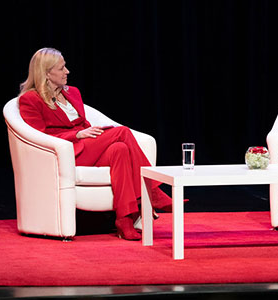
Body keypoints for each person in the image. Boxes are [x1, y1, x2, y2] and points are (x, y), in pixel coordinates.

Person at [18, 48, 172, 241]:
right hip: (67, 152)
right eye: (62, 68)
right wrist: (77, 134)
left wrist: (91, 133)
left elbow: (83, 123)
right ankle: (152, 191)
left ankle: (124, 221)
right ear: (47, 73)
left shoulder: (72, 93)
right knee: (122, 132)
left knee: (120, 149)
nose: (68, 71)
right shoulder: (30, 100)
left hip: (88, 146)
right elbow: (39, 137)